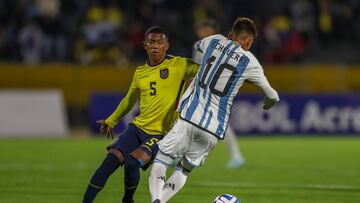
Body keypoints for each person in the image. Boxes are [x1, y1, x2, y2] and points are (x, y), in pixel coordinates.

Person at [149, 17, 280, 203]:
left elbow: (197, 45)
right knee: (184, 169)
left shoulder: (213, 40)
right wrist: (267, 104)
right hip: (213, 128)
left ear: (229, 35)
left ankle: (156, 199)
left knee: (161, 160)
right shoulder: (251, 63)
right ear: (249, 41)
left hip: (188, 116)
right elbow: (273, 95)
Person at [82, 26, 199, 203]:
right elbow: (129, 100)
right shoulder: (140, 72)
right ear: (144, 45)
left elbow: (207, 71)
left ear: (167, 45)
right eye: (151, 42)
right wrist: (111, 121)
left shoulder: (180, 64)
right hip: (138, 128)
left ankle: (127, 200)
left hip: (162, 133)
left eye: (159, 42)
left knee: (131, 163)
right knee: (109, 162)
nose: (155, 46)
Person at [193, 19, 245, 169]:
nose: (202, 32)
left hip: (217, 90)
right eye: (201, 29)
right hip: (203, 90)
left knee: (218, 124)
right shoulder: (199, 45)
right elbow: (197, 69)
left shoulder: (223, 46)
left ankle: (236, 155)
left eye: (206, 29)